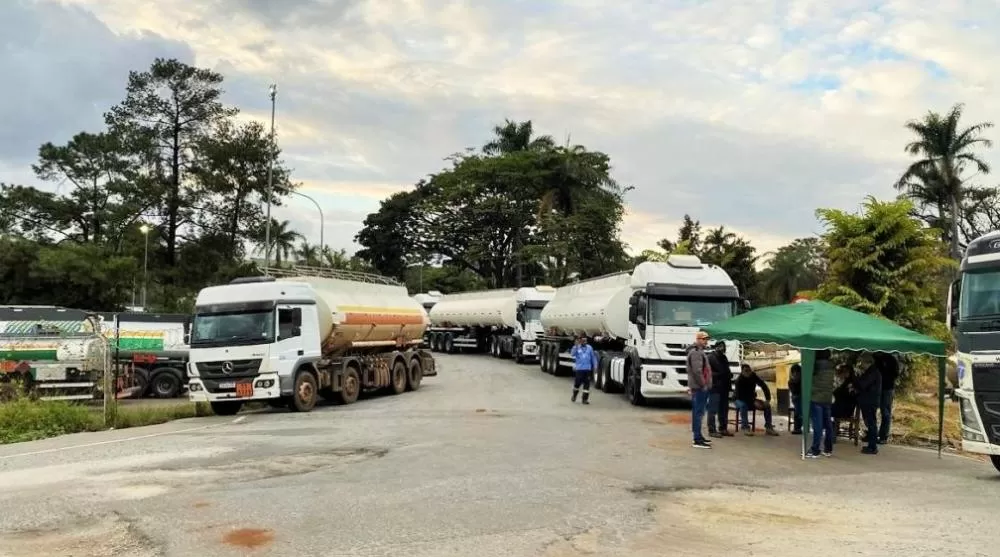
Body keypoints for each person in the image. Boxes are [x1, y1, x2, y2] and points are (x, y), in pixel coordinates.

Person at [734, 363, 779, 436]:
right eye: (746, 371)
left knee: (767, 406)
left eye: (749, 371)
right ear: (742, 372)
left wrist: (768, 399)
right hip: (739, 399)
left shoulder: (753, 376)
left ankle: (769, 427)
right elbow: (740, 396)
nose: (748, 373)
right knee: (743, 406)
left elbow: (763, 385)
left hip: (751, 399)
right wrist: (753, 402)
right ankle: (745, 427)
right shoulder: (739, 380)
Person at [686, 331, 713, 449]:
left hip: (699, 387)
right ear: (697, 340)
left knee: (699, 413)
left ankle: (699, 436)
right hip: (699, 388)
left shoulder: (699, 352)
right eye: (703, 339)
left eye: (706, 339)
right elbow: (698, 372)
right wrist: (703, 384)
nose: (706, 341)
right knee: (698, 413)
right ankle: (697, 439)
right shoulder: (696, 353)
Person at [806, 350, 835, 458]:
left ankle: (815, 450)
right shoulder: (831, 366)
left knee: (817, 425)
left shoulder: (815, 366)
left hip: (816, 398)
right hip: (827, 399)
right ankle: (828, 449)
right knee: (828, 425)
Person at [854, 355, 883, 455]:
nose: (862, 364)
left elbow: (863, 384)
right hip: (870, 400)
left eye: (863, 362)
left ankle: (872, 446)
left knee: (871, 424)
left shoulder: (872, 372)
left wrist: (856, 379)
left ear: (868, 362)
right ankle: (871, 445)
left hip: (870, 401)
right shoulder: (873, 371)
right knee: (870, 423)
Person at [706, 341, 734, 438]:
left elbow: (726, 369)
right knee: (712, 409)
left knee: (724, 409)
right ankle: (712, 430)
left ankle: (723, 428)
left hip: (724, 387)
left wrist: (729, 375)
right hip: (714, 387)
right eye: (720, 346)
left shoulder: (724, 357)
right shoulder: (710, 357)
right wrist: (720, 375)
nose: (722, 348)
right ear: (716, 347)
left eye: (724, 346)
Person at [875, 352, 899, 444]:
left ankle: (883, 436)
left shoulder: (890, 359)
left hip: (887, 388)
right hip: (880, 387)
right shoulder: (876, 358)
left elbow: (895, 373)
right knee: (872, 410)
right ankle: (875, 433)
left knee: (885, 412)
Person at [569, 335, 598, 404]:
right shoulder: (577, 347)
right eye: (583, 340)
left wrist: (595, 366)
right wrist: (575, 346)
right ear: (580, 341)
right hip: (579, 369)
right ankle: (574, 395)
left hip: (587, 369)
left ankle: (584, 399)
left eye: (586, 340)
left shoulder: (589, 348)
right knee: (577, 384)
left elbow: (593, 357)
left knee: (587, 385)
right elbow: (572, 354)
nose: (585, 342)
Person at [832, 364, 858, 440]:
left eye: (843, 372)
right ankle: (833, 431)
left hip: (846, 409)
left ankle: (832, 433)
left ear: (847, 372)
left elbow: (843, 394)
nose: (841, 374)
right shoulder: (848, 381)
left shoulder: (850, 383)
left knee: (826, 410)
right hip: (844, 407)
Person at [788, 363, 803, 434]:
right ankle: (797, 427)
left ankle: (797, 427)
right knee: (798, 401)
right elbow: (794, 392)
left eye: (797, 372)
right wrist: (795, 381)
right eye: (794, 372)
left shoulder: (803, 380)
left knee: (799, 404)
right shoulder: (791, 382)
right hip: (797, 398)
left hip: (802, 399)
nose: (796, 374)